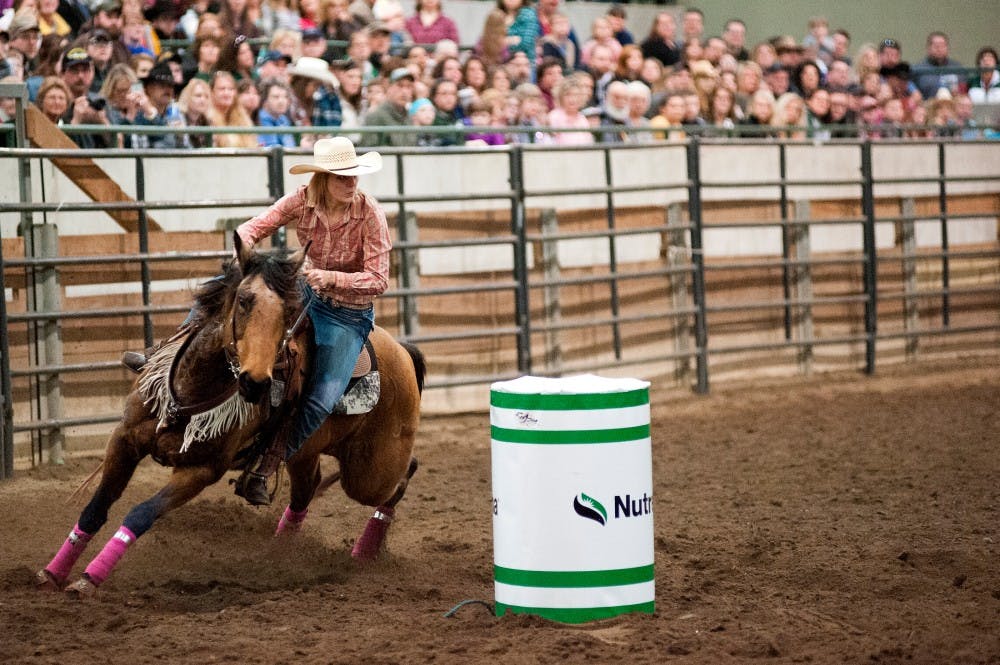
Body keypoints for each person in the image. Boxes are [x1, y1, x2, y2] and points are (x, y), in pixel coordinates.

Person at [229, 136, 389, 505]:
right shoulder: (302, 200)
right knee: (231, 297)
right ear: (323, 178)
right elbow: (253, 228)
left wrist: (331, 278)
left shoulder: (370, 214)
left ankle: (267, 465)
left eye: (354, 176)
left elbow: (379, 279)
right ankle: (168, 354)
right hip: (302, 296)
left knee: (322, 397)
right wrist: (245, 257)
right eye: (342, 177)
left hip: (347, 315)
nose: (351, 183)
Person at [360, 65, 414, 146]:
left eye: (409, 87)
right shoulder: (375, 116)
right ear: (389, 87)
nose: (404, 91)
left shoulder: (409, 117)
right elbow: (369, 152)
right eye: (400, 85)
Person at [911, 31, 961, 101]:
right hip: (927, 108)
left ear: (947, 47)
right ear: (928, 48)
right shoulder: (918, 69)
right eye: (936, 46)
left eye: (943, 45)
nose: (939, 49)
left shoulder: (957, 68)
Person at [547, 74, 591, 145]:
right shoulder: (554, 116)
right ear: (561, 96)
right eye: (568, 94)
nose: (572, 99)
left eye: (575, 95)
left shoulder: (582, 119)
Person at [257, 78, 296, 146]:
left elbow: (291, 147)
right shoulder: (258, 119)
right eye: (276, 97)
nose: (281, 101)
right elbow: (272, 150)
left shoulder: (284, 119)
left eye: (285, 97)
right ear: (264, 100)